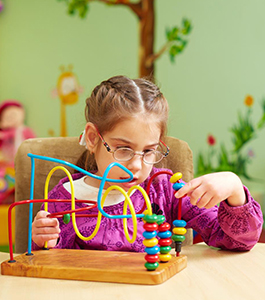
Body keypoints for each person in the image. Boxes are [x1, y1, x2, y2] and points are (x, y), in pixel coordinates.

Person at [32, 75, 263, 252]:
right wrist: (43, 240)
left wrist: (234, 189)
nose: (136, 165)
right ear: (93, 138)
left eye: (149, 151)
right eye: (123, 149)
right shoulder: (63, 198)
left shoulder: (165, 191)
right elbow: (46, 264)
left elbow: (238, 241)